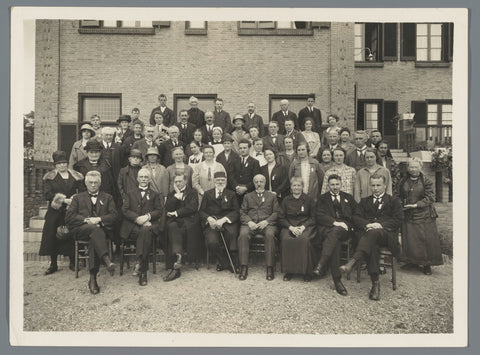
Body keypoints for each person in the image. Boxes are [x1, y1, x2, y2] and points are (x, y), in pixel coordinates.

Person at [340, 174, 403, 301]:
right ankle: (375, 284)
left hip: (386, 235)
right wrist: (367, 224)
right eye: (373, 185)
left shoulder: (393, 201)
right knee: (372, 246)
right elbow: (356, 217)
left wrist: (379, 225)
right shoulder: (364, 201)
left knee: (374, 233)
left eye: (378, 185)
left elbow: (398, 220)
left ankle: (353, 261)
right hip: (368, 238)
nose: (375, 188)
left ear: (384, 185)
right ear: (370, 186)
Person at [65, 171, 117, 295]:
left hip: (101, 230)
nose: (93, 185)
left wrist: (99, 219)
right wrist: (86, 220)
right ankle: (106, 259)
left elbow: (114, 215)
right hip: (81, 229)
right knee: (94, 230)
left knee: (94, 237)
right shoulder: (77, 198)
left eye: (95, 183)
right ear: (86, 183)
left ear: (100, 184)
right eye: (90, 183)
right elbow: (69, 217)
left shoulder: (107, 197)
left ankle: (92, 278)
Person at [39, 151, 84, 274]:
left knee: (70, 235)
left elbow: (81, 191)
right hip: (55, 212)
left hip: (71, 210)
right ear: (55, 165)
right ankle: (53, 264)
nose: (62, 166)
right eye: (59, 163)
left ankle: (72, 262)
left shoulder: (76, 176)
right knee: (53, 236)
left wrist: (74, 200)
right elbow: (47, 194)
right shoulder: (50, 177)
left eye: (64, 163)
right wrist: (63, 200)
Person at [120, 168, 164, 286]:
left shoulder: (154, 194)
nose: (143, 179)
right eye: (141, 177)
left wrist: (148, 217)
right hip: (132, 227)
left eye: (146, 177)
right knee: (144, 232)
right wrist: (137, 219)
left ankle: (141, 267)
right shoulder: (129, 193)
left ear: (149, 179)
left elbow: (159, 211)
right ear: (137, 179)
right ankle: (142, 267)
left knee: (145, 231)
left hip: (148, 226)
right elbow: (124, 210)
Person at [314, 174, 356, 296]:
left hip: (345, 229)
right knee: (335, 241)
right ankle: (337, 281)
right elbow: (319, 215)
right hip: (328, 229)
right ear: (328, 185)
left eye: (337, 184)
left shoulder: (348, 197)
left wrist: (349, 224)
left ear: (341, 184)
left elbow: (356, 214)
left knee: (336, 233)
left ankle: (322, 263)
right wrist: (335, 222)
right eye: (332, 184)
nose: (335, 187)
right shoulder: (322, 198)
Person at [399, 158, 443, 275]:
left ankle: (426, 264)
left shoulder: (426, 181)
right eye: (411, 167)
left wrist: (416, 205)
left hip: (424, 213)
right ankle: (412, 261)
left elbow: (430, 197)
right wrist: (401, 203)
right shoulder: (403, 180)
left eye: (415, 167)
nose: (413, 169)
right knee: (410, 238)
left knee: (424, 239)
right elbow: (398, 194)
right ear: (408, 168)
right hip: (407, 212)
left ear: (420, 167)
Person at [238, 174, 280, 281]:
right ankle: (243, 267)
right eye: (256, 182)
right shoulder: (247, 196)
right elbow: (242, 212)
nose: (259, 184)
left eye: (261, 181)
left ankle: (270, 267)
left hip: (267, 224)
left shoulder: (272, 196)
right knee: (243, 234)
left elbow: (276, 213)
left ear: (265, 183)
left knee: (270, 235)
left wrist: (267, 221)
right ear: (254, 183)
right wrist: (249, 222)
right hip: (251, 223)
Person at [278, 177, 318, 282]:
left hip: (306, 226)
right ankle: (289, 271)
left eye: (299, 185)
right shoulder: (286, 200)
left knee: (304, 240)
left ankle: (306, 272)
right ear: (291, 187)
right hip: (289, 226)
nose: (296, 187)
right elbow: (281, 217)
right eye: (294, 185)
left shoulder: (309, 200)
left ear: (302, 187)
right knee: (287, 240)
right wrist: (291, 227)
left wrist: (303, 227)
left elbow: (313, 217)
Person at [164, 173, 203, 281]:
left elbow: (192, 208)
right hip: (176, 221)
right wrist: (176, 197)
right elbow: (167, 207)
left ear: (185, 181)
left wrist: (176, 213)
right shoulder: (172, 194)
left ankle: (177, 260)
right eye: (176, 182)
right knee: (171, 226)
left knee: (175, 229)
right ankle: (178, 258)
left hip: (189, 221)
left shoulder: (192, 192)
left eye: (180, 181)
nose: (178, 183)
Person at [199, 171, 240, 272]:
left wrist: (224, 219)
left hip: (227, 222)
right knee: (212, 242)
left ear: (226, 181)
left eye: (222, 180)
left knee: (231, 236)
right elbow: (201, 211)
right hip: (212, 223)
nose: (220, 182)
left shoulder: (231, 194)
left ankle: (234, 262)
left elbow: (236, 211)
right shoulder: (208, 194)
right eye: (218, 180)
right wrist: (209, 219)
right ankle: (225, 262)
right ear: (214, 181)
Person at [234, 139, 261, 205]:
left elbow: (256, 178)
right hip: (236, 192)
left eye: (245, 148)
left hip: (249, 192)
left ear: (249, 148)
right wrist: (236, 187)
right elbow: (231, 176)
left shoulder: (255, 162)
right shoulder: (234, 161)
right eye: (240, 148)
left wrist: (246, 188)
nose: (242, 150)